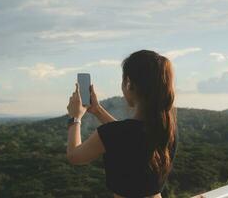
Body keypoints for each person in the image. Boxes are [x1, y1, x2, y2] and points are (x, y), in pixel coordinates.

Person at [66, 50, 178, 198]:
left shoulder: (115, 133)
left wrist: (75, 117)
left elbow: (75, 156)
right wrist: (98, 110)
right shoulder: (168, 129)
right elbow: (127, 136)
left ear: (129, 83)